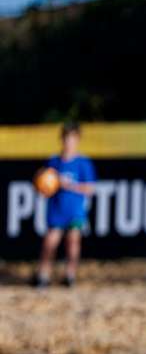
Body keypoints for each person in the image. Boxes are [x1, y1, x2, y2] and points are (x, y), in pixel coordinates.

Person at [34, 121, 96, 288]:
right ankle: (43, 275)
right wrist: (43, 184)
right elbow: (43, 185)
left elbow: (90, 188)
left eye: (72, 139)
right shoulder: (53, 161)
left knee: (73, 241)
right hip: (56, 210)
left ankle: (70, 276)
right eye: (66, 138)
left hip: (75, 210)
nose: (68, 142)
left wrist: (68, 184)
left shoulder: (83, 163)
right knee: (50, 243)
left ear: (77, 140)